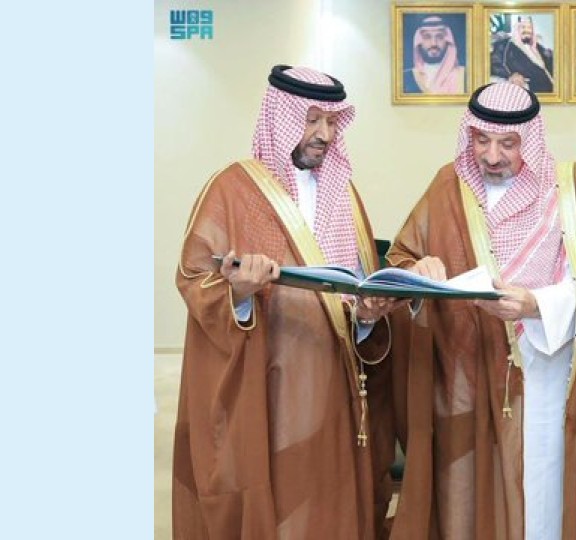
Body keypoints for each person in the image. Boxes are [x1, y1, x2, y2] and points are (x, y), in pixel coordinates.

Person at [387, 82, 576, 539]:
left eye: (508, 143)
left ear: (529, 140)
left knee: (539, 497)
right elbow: (400, 261)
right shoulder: (448, 186)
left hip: (542, 378)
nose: (492, 156)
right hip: (465, 377)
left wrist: (535, 304)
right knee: (467, 500)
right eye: (481, 140)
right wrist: (419, 269)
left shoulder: (565, 189)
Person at [172, 64, 401, 539]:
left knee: (330, 502)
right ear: (280, 118)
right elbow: (194, 277)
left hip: (336, 385)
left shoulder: (345, 194)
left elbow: (358, 287)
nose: (323, 134)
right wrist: (239, 292)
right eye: (311, 120)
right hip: (265, 388)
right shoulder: (231, 189)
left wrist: (366, 316)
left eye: (331, 122)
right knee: (276, 507)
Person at [489, 16, 555, 93]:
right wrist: (510, 75)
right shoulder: (505, 45)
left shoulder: (540, 48)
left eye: (529, 27)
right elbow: (494, 63)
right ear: (517, 28)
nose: (526, 30)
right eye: (523, 27)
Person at [404, 15, 465, 94]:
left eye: (439, 37)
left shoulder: (465, 76)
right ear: (419, 42)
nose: (434, 43)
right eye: (427, 37)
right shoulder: (405, 78)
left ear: (448, 41)